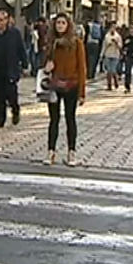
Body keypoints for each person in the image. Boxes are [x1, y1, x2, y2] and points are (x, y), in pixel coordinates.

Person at [43, 13, 86, 166]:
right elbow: (44, 64)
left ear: (68, 25)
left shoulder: (76, 43)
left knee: (70, 118)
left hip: (71, 85)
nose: (60, 25)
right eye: (58, 23)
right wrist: (47, 68)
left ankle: (71, 152)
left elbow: (82, 68)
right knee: (53, 119)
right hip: (54, 85)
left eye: (63, 23)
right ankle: (51, 151)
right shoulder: (51, 43)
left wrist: (82, 92)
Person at [101, 22, 122, 91]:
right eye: (111, 27)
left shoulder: (118, 36)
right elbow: (104, 45)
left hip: (115, 54)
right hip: (108, 54)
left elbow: (120, 46)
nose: (112, 29)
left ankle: (116, 81)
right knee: (108, 70)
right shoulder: (107, 36)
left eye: (114, 27)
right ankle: (109, 85)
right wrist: (102, 54)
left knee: (112, 69)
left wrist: (116, 43)